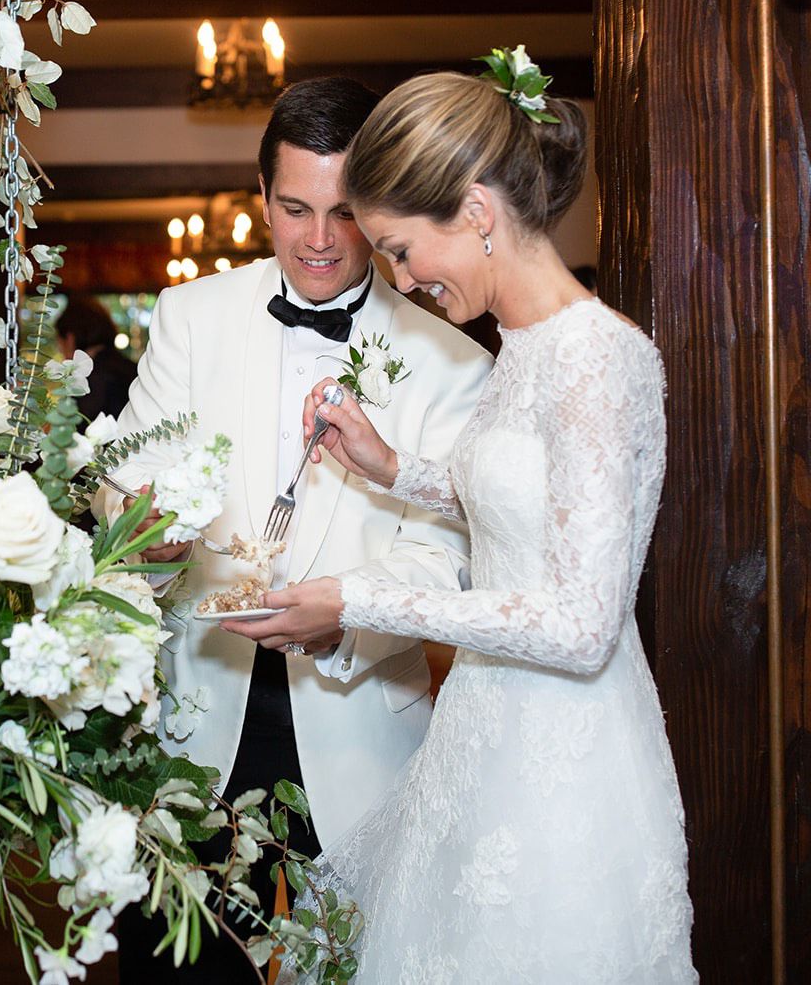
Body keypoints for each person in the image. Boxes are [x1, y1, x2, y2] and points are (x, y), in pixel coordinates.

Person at [245, 65, 696, 980]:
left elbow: (578, 624)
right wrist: (393, 468)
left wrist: (360, 597)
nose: (403, 281)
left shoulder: (600, 358)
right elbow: (524, 503)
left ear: (478, 212)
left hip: (564, 755)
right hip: (484, 732)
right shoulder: (524, 346)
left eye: (404, 249)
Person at [99, 77, 493, 982]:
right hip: (195, 720)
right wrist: (145, 534)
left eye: (346, 212)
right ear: (262, 199)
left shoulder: (451, 359)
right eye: (296, 208)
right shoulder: (188, 317)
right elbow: (125, 481)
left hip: (360, 730)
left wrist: (346, 612)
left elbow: (449, 557)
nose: (319, 240)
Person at [55, 292, 136, 421]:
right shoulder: (131, 368)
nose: (61, 353)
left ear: (70, 339)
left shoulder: (90, 379)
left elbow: (75, 430)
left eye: (59, 345)